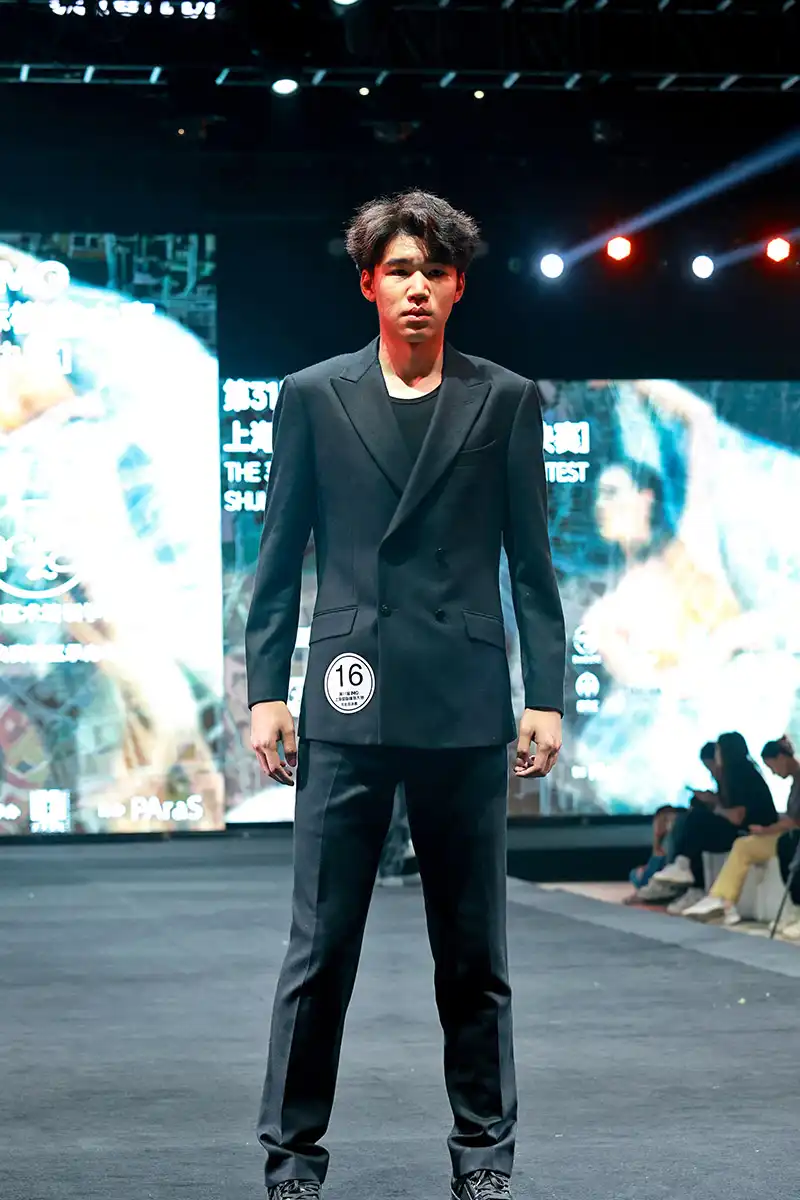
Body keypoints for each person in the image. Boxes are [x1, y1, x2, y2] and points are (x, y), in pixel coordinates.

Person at [245, 191, 566, 1200]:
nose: (415, 287)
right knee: (319, 949)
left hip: (464, 700)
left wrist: (545, 694)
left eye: (433, 271)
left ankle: (484, 1155)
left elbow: (531, 564)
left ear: (458, 286)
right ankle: (291, 1157)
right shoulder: (312, 395)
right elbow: (280, 554)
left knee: (472, 952)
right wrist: (265, 691)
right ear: (367, 285)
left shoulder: (504, 398)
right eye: (397, 270)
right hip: (346, 697)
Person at [681, 735, 800, 923]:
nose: (774, 773)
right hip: (784, 835)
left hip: (790, 838)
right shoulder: (795, 784)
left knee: (744, 845)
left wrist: (766, 830)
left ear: (781, 758)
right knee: (743, 845)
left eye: (772, 767)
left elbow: (795, 821)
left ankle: (723, 900)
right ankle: (722, 900)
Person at [651, 731, 778, 892]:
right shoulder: (740, 773)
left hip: (751, 832)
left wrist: (716, 808)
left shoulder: (741, 775)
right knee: (693, 818)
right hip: (745, 829)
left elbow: (737, 816)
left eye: (718, 750)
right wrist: (712, 800)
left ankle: (684, 869)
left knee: (696, 820)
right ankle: (683, 870)